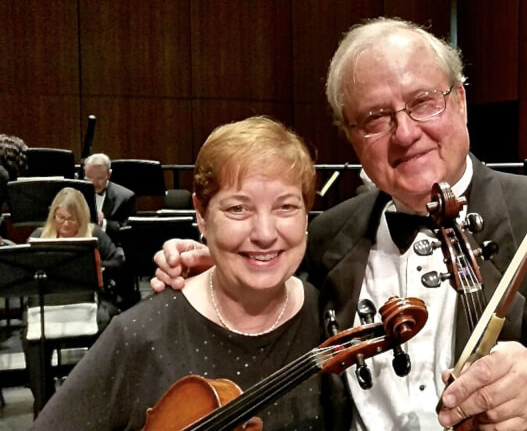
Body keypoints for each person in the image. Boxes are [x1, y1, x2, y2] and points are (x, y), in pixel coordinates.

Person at [153, 18, 527, 430]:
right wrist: (223, 265)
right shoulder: (330, 237)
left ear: (462, 102)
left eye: (424, 102)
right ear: (352, 138)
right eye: (377, 118)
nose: (405, 133)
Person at [33, 116, 333, 430]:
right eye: (237, 209)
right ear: (201, 217)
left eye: (286, 207)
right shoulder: (140, 333)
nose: (265, 233)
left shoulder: (331, 312)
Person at [24, 186, 126, 413]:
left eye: (72, 219)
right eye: (61, 218)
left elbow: (118, 261)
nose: (67, 224)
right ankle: (44, 406)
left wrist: (96, 266)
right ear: (53, 216)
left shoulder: (95, 233)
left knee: (106, 322)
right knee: (30, 334)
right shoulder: (38, 236)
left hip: (87, 303)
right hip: (50, 307)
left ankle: (99, 400)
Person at [83, 152, 136, 242]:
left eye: (99, 178)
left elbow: (128, 231)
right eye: (89, 177)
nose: (94, 183)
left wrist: (103, 223)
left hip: (111, 246)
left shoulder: (125, 196)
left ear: (109, 174)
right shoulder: (77, 192)